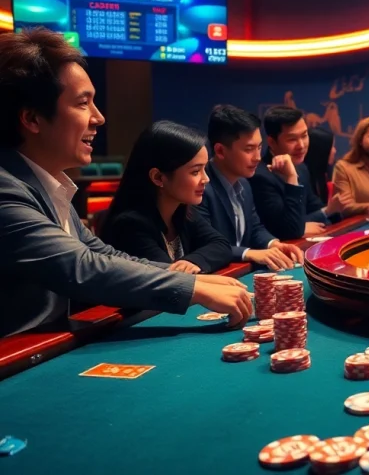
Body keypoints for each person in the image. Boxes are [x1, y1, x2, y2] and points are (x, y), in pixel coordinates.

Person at [0, 28, 251, 337]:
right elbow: (83, 267)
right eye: (83, 103)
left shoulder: (48, 187)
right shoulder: (5, 188)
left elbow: (104, 255)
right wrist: (192, 288)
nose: (99, 117)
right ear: (32, 119)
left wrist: (195, 281)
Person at [101, 121, 233, 274]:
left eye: (204, 169)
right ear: (158, 177)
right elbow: (168, 279)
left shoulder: (183, 210)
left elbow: (221, 245)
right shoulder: (129, 226)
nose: (206, 179)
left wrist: (193, 261)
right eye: (196, 172)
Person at [197, 105, 304, 271]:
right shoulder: (200, 187)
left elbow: (255, 229)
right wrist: (248, 253)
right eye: (249, 149)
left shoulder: (245, 184)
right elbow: (205, 245)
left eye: (259, 147)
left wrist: (274, 244)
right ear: (220, 150)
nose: (257, 157)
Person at [248, 106, 342, 240]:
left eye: (304, 136)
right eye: (292, 139)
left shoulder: (302, 168)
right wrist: (291, 178)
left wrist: (329, 211)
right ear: (272, 142)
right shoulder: (260, 176)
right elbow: (287, 229)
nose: (301, 145)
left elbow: (315, 208)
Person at [306, 126, 336, 204]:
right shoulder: (303, 178)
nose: (334, 151)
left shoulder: (328, 172)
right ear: (321, 150)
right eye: (331, 147)